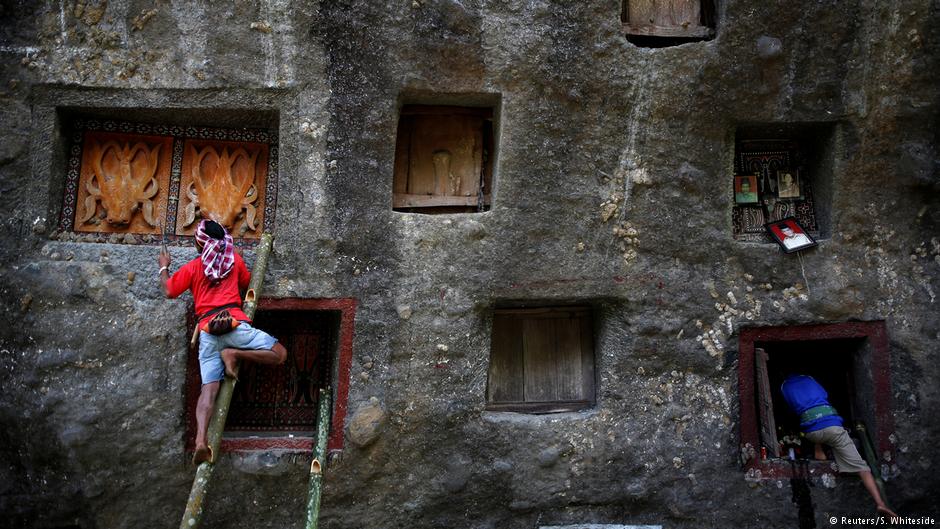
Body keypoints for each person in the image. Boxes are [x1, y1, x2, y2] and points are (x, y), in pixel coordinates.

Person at [158, 219, 287, 465]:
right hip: (234, 327)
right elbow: (247, 283)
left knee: (209, 390)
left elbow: (168, 291)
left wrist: (164, 267)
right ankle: (234, 354)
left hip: (207, 333)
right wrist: (238, 256)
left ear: (200, 244)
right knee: (280, 353)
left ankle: (200, 441)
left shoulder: (193, 267)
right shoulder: (233, 262)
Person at [780, 374, 897, 517]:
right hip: (832, 424)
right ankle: (880, 503)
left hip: (811, 431)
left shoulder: (785, 386)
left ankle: (819, 448)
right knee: (862, 468)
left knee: (817, 435)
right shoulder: (810, 379)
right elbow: (825, 395)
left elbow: (790, 408)